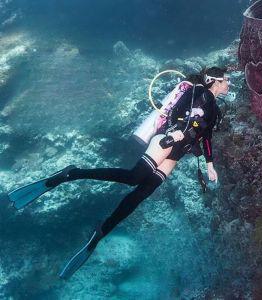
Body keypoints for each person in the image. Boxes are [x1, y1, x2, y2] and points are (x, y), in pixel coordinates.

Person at [7, 66, 230, 279]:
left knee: (142, 194)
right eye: (225, 80)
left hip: (176, 154)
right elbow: (176, 112)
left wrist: (210, 164)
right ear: (214, 81)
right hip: (167, 141)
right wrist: (177, 131)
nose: (228, 83)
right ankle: (71, 173)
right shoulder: (197, 91)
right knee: (133, 177)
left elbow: (207, 137)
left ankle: (103, 229)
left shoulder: (215, 110)